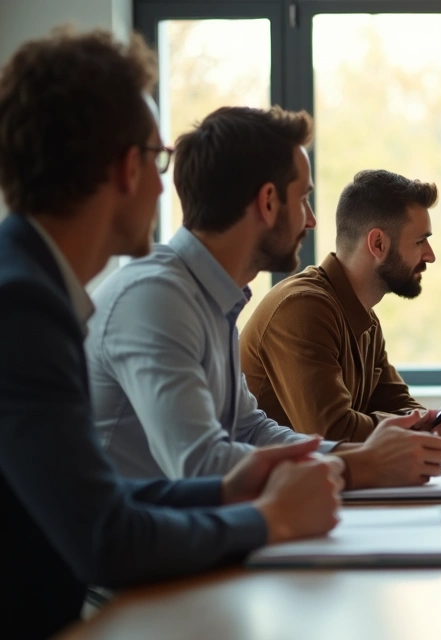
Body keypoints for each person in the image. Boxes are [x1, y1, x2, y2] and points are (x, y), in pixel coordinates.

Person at [0, 29, 341, 638]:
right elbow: (104, 538)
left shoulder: (31, 286)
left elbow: (107, 497)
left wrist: (232, 487)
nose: (169, 186)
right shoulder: (22, 305)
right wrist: (270, 520)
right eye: (160, 161)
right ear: (128, 168)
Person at [87, 106, 441, 489]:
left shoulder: (211, 298)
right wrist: (357, 467)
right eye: (303, 199)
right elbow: (200, 464)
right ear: (268, 202)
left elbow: (250, 429)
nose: (310, 220)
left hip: (193, 532)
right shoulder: (156, 297)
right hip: (144, 543)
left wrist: (360, 457)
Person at [239, 169, 441, 453]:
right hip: (270, 492)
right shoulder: (302, 308)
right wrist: (417, 428)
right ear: (378, 244)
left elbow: (398, 403)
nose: (430, 255)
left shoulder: (365, 317)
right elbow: (332, 432)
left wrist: (433, 425)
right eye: (420, 241)